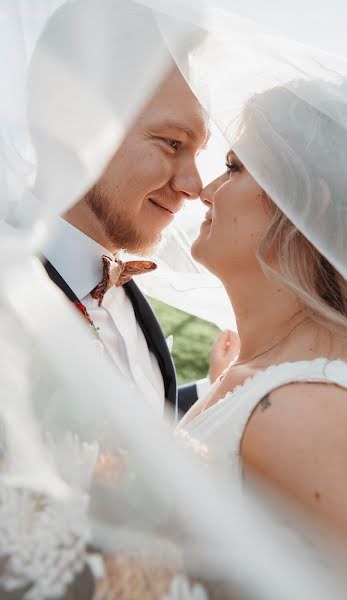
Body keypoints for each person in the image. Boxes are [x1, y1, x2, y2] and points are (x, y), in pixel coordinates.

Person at [178, 76, 347, 571]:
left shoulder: (315, 411)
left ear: (304, 204)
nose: (206, 191)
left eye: (233, 169)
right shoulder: (261, 380)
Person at [32, 0, 239, 417]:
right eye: (172, 143)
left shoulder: (133, 308)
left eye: (198, 152)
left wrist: (215, 393)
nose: (194, 185)